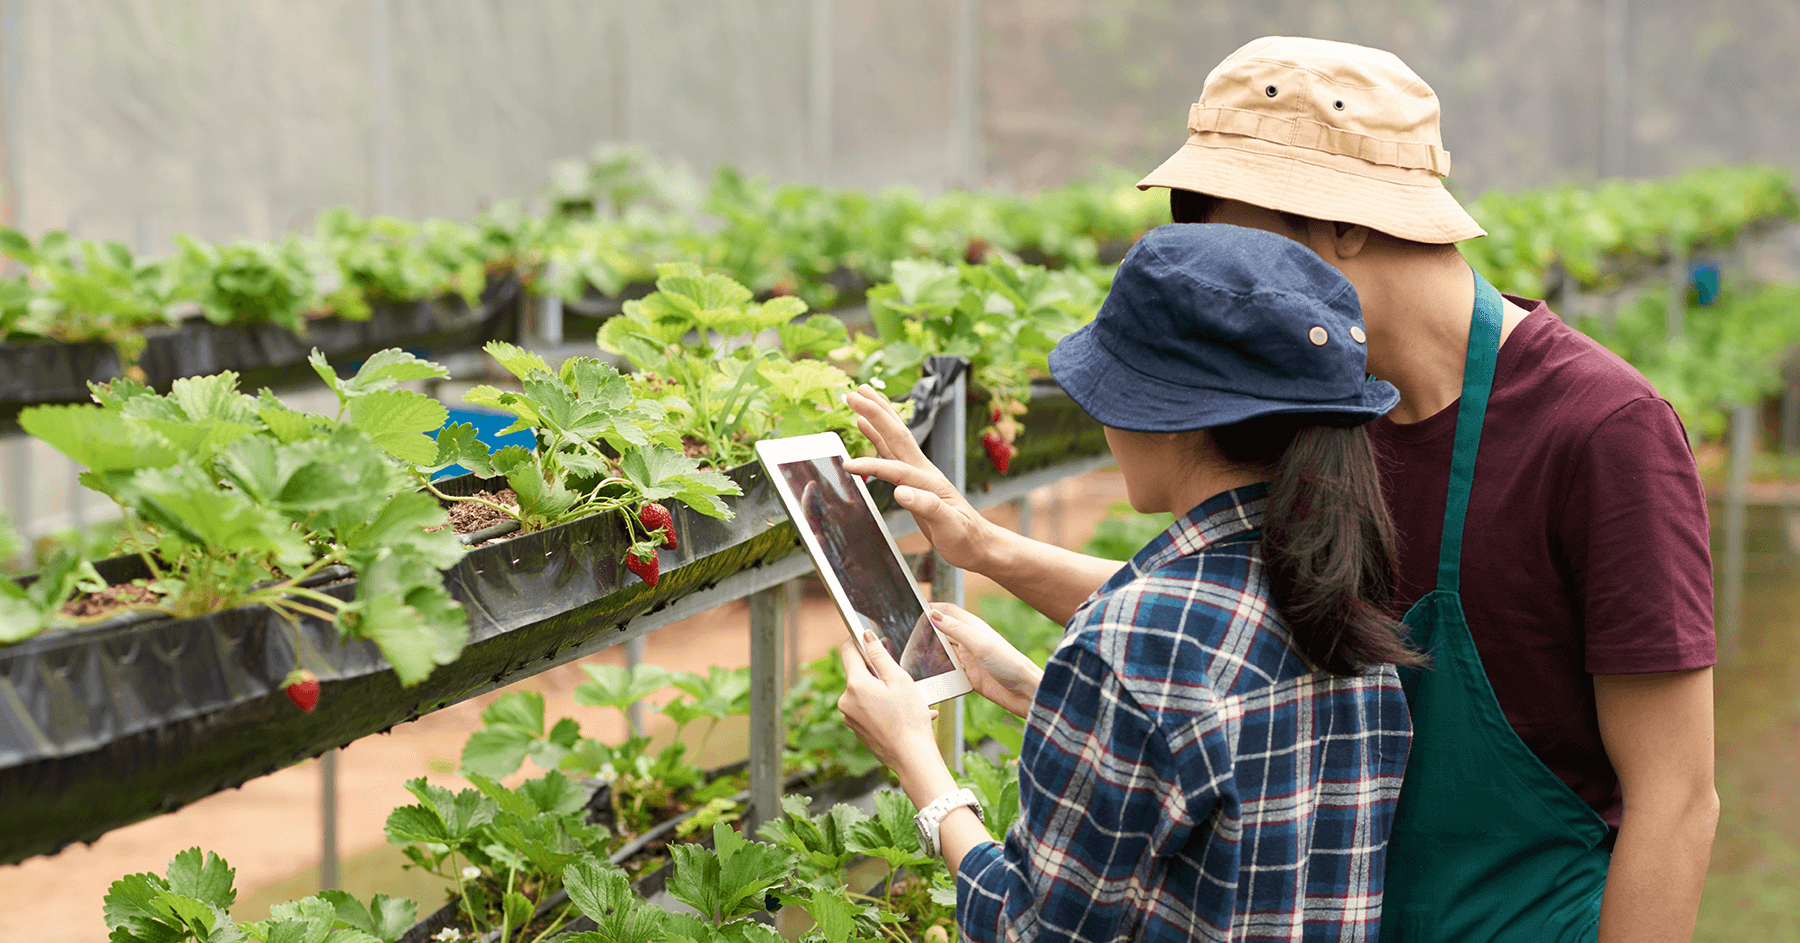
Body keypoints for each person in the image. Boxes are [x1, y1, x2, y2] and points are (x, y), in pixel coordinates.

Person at [856, 36, 1720, 943]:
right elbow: (1244, 626)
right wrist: (987, 548)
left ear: (1341, 221)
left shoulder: (1600, 430)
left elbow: (1677, 797)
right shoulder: (1320, 412)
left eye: (1224, 227)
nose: (1215, 266)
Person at [837, 223, 1418, 942]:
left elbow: (1028, 928)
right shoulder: (1339, 594)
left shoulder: (1134, 645)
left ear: (1172, 418)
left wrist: (916, 761)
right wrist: (1031, 685)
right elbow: (1201, 772)